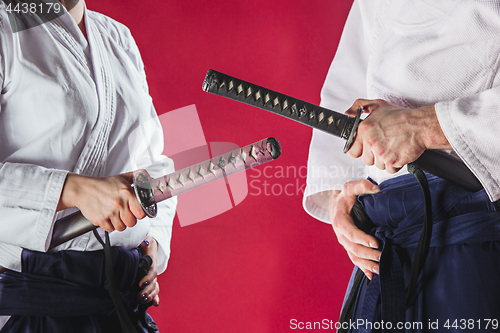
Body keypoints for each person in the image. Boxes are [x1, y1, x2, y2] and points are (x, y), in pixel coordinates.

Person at [304, 0, 500, 331]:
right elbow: (352, 73)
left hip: (475, 228)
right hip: (385, 241)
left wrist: (425, 125)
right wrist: (341, 195)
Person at [0, 0, 177, 331]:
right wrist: (74, 190)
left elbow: (152, 161)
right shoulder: (6, 27)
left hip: (120, 300)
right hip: (34, 298)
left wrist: (153, 246)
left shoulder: (117, 36)